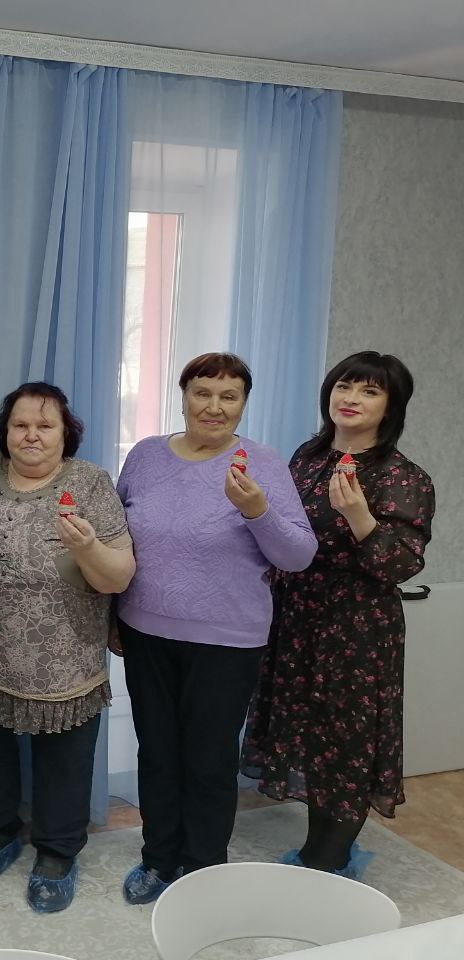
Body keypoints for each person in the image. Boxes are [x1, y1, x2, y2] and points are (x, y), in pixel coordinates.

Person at [114, 353, 317, 905]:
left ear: (243, 404)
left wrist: (258, 510)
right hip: (145, 632)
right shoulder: (146, 456)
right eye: (202, 393)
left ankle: (204, 871)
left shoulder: (262, 463)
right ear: (183, 396)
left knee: (207, 761)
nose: (214, 406)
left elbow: (298, 555)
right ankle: (158, 858)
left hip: (228, 641)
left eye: (229, 396)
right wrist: (112, 616)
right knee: (157, 753)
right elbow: (117, 536)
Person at [243, 351, 435, 879]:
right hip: (296, 618)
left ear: (391, 407)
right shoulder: (306, 458)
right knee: (307, 735)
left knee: (345, 744)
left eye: (370, 391)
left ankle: (326, 862)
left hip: (356, 628)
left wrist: (359, 515)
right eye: (345, 386)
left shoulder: (402, 476)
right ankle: (317, 851)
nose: (351, 399)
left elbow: (400, 564)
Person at [0, 382, 136, 913]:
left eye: (45, 425)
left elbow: (119, 576)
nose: (31, 435)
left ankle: (58, 851)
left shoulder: (90, 482)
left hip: (67, 656)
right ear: (5, 432)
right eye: (20, 425)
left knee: (65, 762)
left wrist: (87, 546)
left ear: (66, 433)